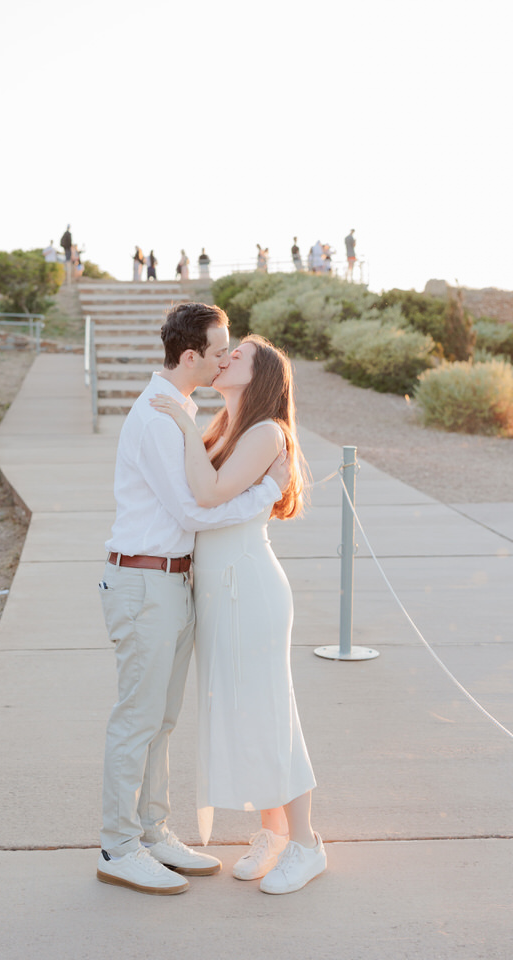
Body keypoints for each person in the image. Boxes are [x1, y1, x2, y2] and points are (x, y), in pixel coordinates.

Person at [97, 303, 290, 897]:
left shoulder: (181, 409)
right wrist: (267, 493)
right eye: (219, 351)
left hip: (170, 582)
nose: (225, 359)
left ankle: (152, 831)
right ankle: (119, 846)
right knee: (138, 719)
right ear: (190, 357)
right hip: (144, 582)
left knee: (161, 720)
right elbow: (192, 510)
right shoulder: (160, 416)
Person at [149, 334, 326, 896]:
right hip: (218, 589)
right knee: (244, 712)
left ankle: (306, 844)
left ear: (262, 375)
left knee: (270, 712)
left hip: (249, 588)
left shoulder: (266, 431)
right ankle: (273, 831)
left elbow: (208, 495)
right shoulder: (226, 425)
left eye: (238, 355)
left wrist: (183, 427)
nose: (225, 359)